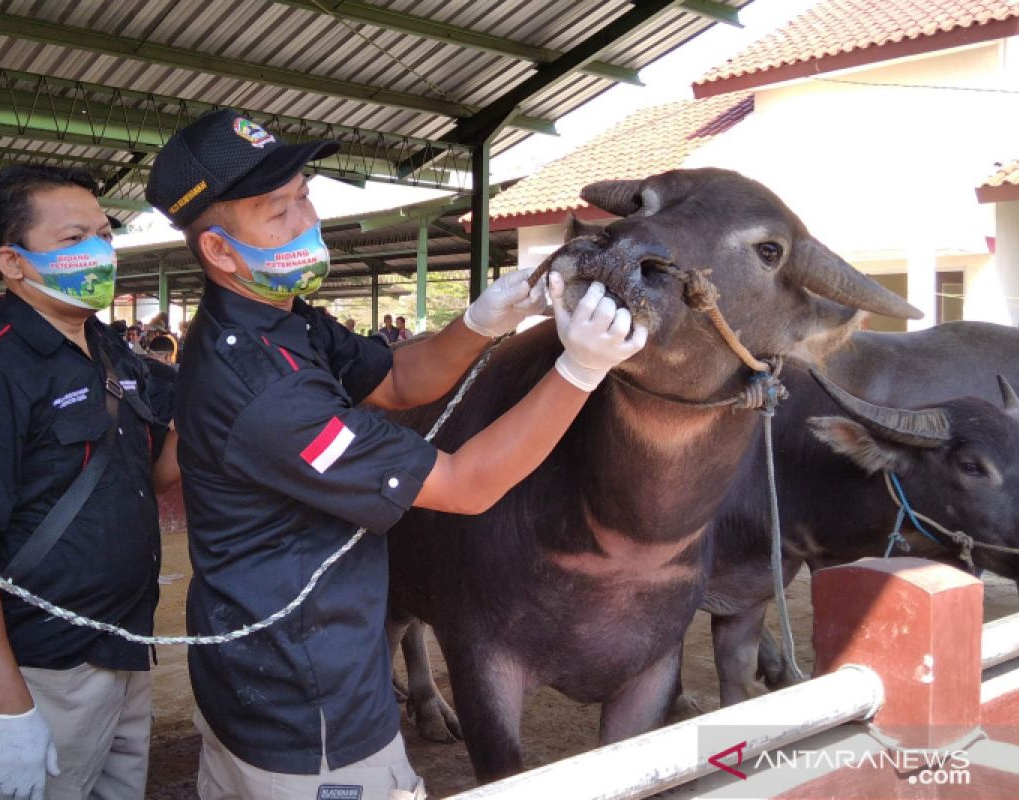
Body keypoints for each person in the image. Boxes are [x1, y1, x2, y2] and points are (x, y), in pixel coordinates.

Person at [145, 108, 646, 800]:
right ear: (222, 253)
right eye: (276, 212)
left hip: (257, 679)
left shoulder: (279, 320)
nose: (305, 221)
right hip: (309, 710)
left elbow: (401, 379)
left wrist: (480, 321)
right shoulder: (264, 391)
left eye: (303, 195)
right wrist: (579, 373)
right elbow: (467, 484)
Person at [0, 164, 180, 800]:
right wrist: (10, 711)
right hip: (42, 672)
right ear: (12, 260)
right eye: (73, 240)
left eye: (103, 234)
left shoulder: (109, 349)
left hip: (122, 650)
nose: (99, 251)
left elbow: (153, 473)